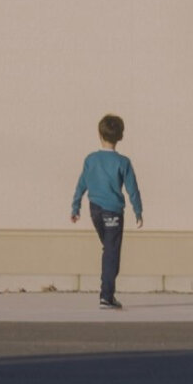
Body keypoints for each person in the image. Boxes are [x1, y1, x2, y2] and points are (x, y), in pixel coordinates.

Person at [70, 113, 143, 310]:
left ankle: (107, 292)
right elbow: (132, 188)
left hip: (95, 210)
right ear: (120, 136)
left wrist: (75, 207)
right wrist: (138, 212)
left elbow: (82, 183)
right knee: (111, 253)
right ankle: (106, 296)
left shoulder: (91, 159)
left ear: (100, 135)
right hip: (113, 212)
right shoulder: (123, 162)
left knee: (108, 250)